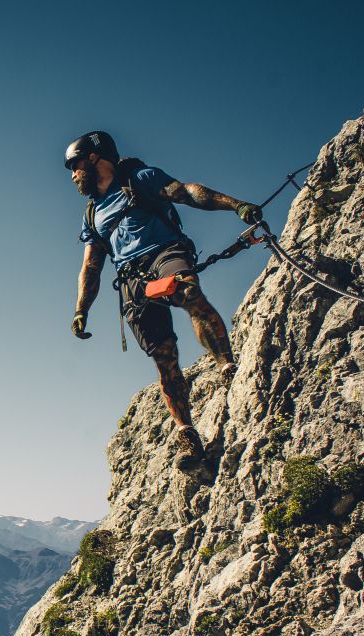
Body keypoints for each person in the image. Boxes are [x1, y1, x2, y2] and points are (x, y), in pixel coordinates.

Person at [65, 131, 261, 475]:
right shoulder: (92, 214)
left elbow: (186, 193)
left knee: (186, 290)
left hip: (164, 254)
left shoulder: (139, 179)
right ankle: (187, 435)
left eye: (75, 164)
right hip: (131, 280)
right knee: (163, 356)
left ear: (95, 158)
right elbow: (91, 266)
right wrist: (81, 309)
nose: (72, 174)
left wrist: (236, 206)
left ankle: (227, 367)